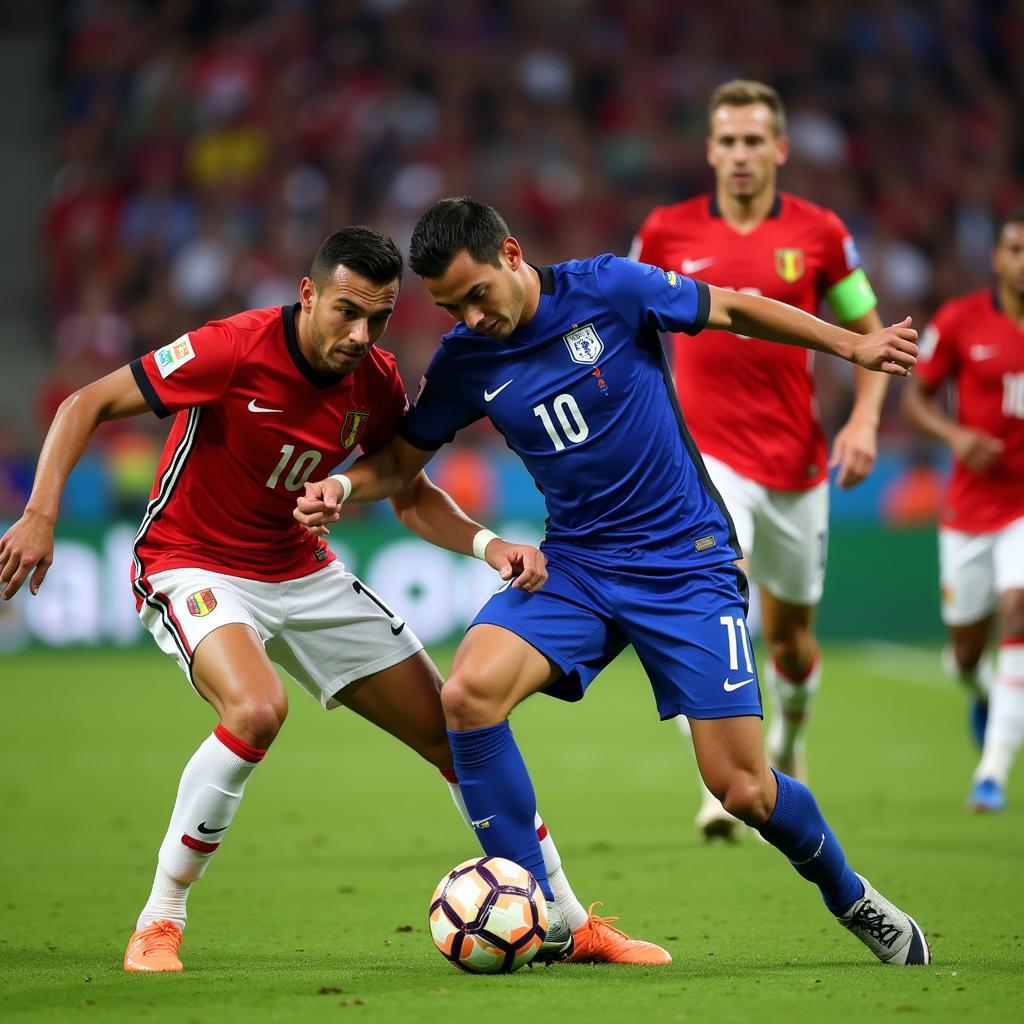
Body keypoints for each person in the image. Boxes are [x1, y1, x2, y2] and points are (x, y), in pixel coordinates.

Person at [0, 227, 666, 973]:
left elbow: (406, 492)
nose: (360, 335)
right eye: (346, 312)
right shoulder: (232, 348)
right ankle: (161, 919)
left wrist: (487, 545)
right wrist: (40, 512)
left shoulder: (375, 381)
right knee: (256, 710)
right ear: (308, 293)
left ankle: (568, 923)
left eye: (378, 319)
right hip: (194, 562)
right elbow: (85, 403)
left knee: (457, 735)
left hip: (303, 572)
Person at [294, 196, 931, 966]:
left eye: (477, 294)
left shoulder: (609, 288)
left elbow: (731, 307)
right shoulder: (466, 361)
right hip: (579, 567)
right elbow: (400, 470)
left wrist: (852, 346)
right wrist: (340, 485)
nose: (471, 315)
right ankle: (542, 915)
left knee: (743, 790)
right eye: (450, 306)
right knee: (466, 696)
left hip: (684, 563)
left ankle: (852, 897)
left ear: (511, 254)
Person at [630, 80, 890, 840]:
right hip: (706, 459)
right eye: (728, 141)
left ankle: (788, 743)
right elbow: (622, 319)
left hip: (798, 467)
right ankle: (724, 779)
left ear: (778, 149)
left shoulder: (820, 234)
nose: (740, 154)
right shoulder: (666, 230)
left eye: (754, 141)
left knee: (791, 643)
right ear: (709, 150)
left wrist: (866, 420)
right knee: (718, 595)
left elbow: (869, 334)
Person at [901, 210, 1024, 812]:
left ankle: (993, 772)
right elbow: (916, 398)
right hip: (969, 511)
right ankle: (983, 694)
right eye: (1016, 249)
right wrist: (955, 438)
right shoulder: (958, 321)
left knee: (1018, 605)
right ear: (999, 259)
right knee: (966, 656)